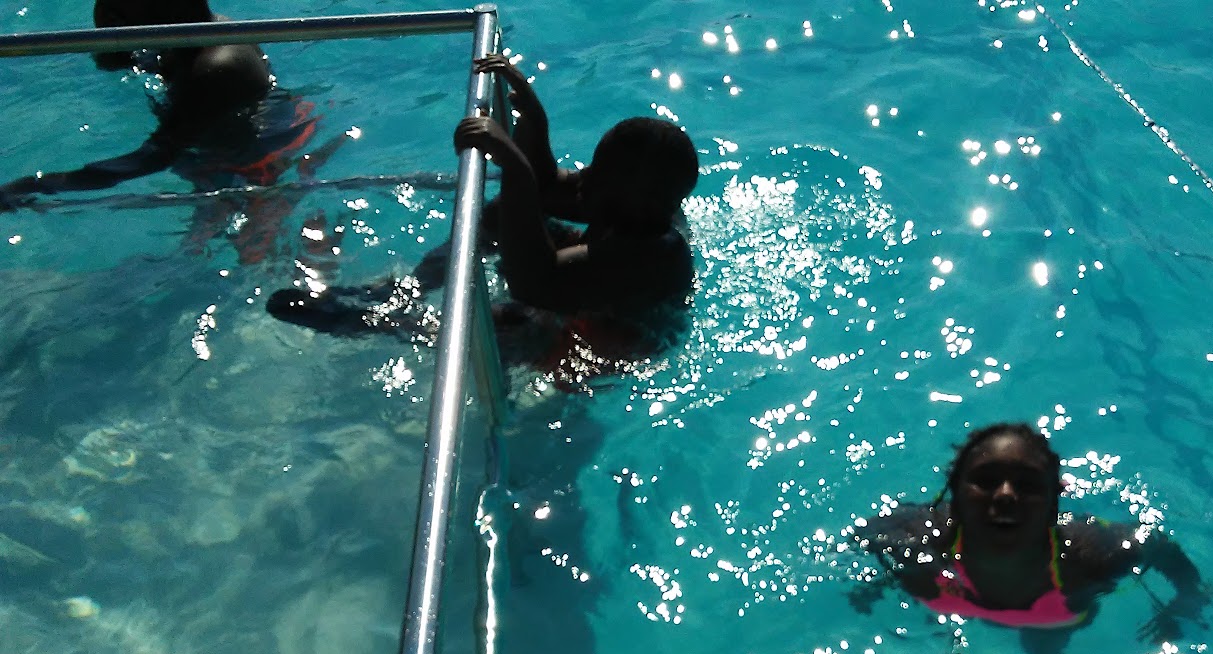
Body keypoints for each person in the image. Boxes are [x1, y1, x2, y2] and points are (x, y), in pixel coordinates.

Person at [268, 53, 700, 387]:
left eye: (597, 174)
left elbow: (532, 283)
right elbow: (547, 189)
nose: (584, 176)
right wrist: (533, 121)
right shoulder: (633, 202)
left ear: (638, 201)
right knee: (498, 216)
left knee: (507, 326)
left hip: (614, 339)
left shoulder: (652, 254)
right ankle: (409, 290)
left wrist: (515, 169)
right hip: (589, 288)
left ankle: (381, 325)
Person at [853, 421, 1213, 654]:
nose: (1005, 495)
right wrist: (875, 586)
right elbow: (859, 540)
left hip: (1050, 619)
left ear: (1055, 497)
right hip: (964, 611)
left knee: (1046, 650)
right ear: (954, 489)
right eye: (985, 481)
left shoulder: (1089, 557)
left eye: (1027, 485)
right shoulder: (917, 537)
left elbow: (1157, 545)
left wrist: (1184, 605)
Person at [0, 1, 343, 264]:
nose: (109, 12)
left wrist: (36, 185)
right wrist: (114, 36)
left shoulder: (217, 66)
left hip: (259, 160)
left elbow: (156, 155)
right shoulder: (187, 35)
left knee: (237, 258)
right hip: (219, 140)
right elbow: (112, 62)